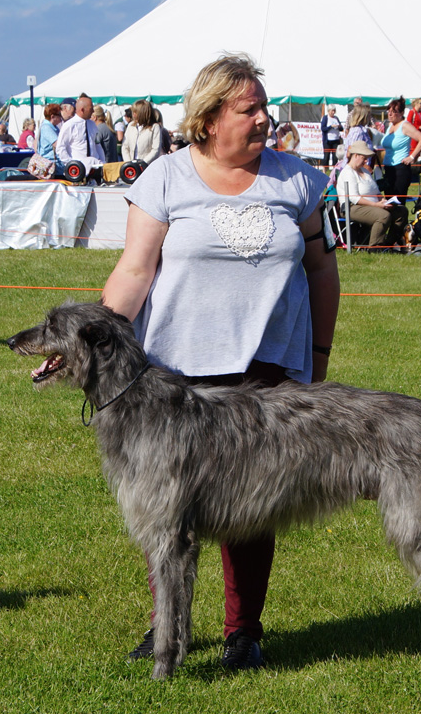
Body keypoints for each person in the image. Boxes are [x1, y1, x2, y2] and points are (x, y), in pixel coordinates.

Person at [101, 53, 340, 669]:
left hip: (267, 370)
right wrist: (102, 345)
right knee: (166, 507)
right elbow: (134, 271)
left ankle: (244, 632)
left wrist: (315, 357)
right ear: (208, 119)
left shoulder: (296, 180)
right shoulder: (165, 179)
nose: (266, 119)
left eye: (265, 106)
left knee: (254, 508)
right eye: (250, 109)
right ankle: (167, 630)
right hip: (175, 373)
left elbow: (321, 270)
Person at [337, 140, 408, 251]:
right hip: (351, 207)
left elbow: (376, 191)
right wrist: (376, 205)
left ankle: (388, 244)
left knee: (401, 211)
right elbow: (354, 198)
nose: (366, 160)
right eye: (364, 158)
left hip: (372, 205)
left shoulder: (365, 171)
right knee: (383, 215)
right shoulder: (347, 172)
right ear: (356, 155)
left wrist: (384, 201)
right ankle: (375, 248)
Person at [381, 97, 421, 203]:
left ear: (401, 113)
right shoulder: (390, 126)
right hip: (388, 169)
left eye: (394, 111)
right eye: (389, 111)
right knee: (388, 202)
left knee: (397, 203)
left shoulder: (405, 125)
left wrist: (412, 157)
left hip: (400, 169)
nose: (390, 114)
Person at [55, 95, 105, 170]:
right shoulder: (69, 125)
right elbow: (60, 148)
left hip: (95, 167)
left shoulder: (92, 124)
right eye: (91, 109)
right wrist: (71, 164)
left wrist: (103, 162)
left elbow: (97, 145)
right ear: (82, 110)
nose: (93, 111)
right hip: (78, 169)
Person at [121, 99, 162, 164]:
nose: (133, 115)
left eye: (136, 112)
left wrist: (142, 163)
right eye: (133, 112)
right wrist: (129, 163)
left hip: (147, 166)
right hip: (131, 167)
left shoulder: (154, 127)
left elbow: (156, 149)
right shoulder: (131, 126)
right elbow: (125, 146)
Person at [37, 103, 63, 171]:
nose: (61, 117)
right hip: (50, 166)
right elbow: (57, 144)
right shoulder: (46, 127)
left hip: (55, 165)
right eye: (59, 115)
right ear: (52, 116)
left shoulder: (53, 127)